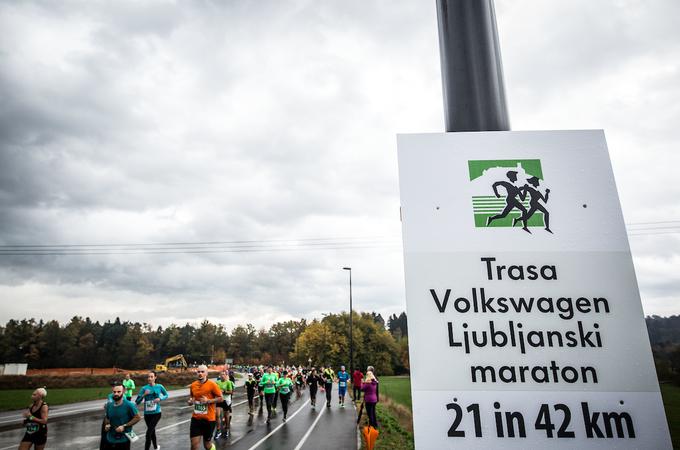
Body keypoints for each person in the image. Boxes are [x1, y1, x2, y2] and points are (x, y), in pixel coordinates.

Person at [188, 365, 223, 450]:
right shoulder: (193, 385)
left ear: (206, 373)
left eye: (202, 372)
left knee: (207, 445)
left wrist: (208, 401)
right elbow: (192, 398)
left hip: (209, 420)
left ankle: (212, 447)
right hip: (196, 418)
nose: (200, 373)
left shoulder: (212, 385)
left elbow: (221, 398)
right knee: (194, 445)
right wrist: (190, 402)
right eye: (198, 372)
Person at [135, 371, 168, 450]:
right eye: (148, 377)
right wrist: (144, 395)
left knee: (148, 433)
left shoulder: (160, 386)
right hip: (147, 414)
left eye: (151, 377)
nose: (149, 378)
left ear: (155, 377)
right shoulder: (144, 388)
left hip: (157, 413)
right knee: (152, 431)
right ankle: (156, 447)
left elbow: (166, 395)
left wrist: (160, 398)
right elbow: (137, 402)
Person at [104, 382, 141, 450]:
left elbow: (137, 417)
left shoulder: (129, 405)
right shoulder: (109, 405)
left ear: (123, 392)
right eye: (114, 392)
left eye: (118, 392)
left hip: (123, 439)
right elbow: (107, 417)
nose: (116, 394)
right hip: (110, 438)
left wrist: (124, 426)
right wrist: (107, 424)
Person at [214, 370, 234, 438]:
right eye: (221, 374)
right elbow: (214, 391)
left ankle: (227, 429)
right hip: (219, 400)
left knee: (226, 416)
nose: (222, 375)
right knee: (217, 415)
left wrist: (224, 391)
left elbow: (231, 392)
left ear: (226, 375)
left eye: (224, 374)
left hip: (226, 400)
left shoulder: (228, 382)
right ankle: (218, 430)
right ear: (220, 375)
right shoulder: (217, 382)